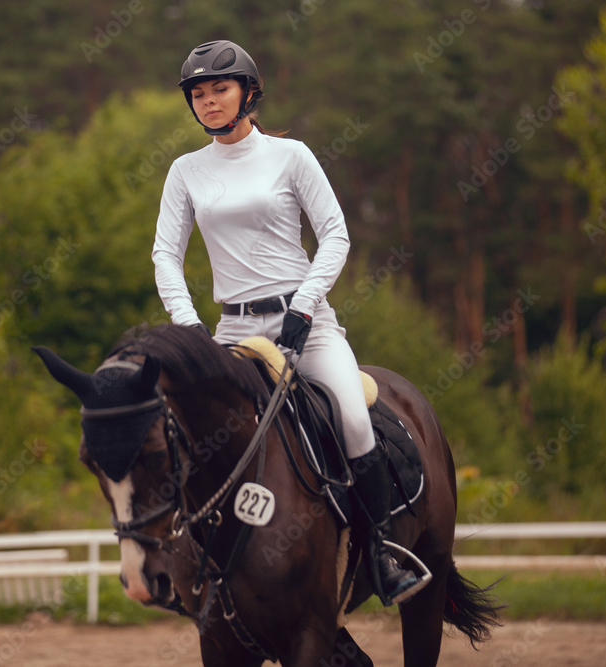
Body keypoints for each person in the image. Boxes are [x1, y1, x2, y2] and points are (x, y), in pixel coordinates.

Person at [152, 40, 419, 606]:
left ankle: (381, 555)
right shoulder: (185, 171)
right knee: (187, 430)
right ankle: (188, 560)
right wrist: (189, 329)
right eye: (198, 95)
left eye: (219, 90)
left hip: (307, 322)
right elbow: (165, 257)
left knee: (352, 415)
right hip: (231, 331)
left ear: (248, 92)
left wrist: (305, 303)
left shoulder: (291, 155)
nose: (208, 102)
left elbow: (336, 236)